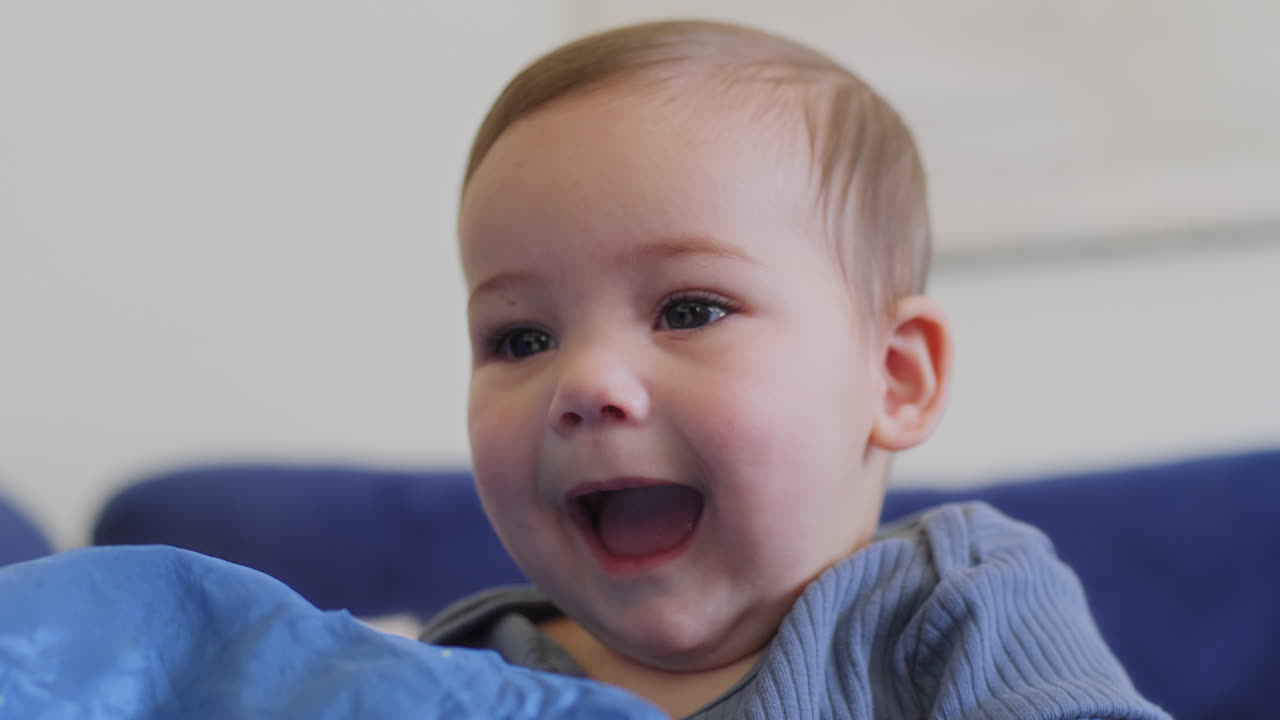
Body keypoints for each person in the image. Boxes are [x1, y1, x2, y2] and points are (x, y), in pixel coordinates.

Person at [421, 19, 1170, 720]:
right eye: (521, 339)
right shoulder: (460, 672)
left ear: (893, 377)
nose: (582, 384)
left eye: (689, 311)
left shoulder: (960, 603)